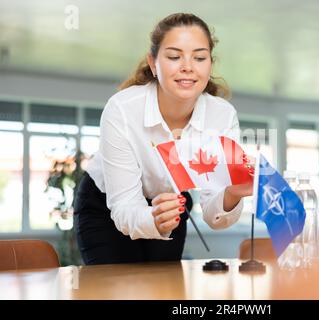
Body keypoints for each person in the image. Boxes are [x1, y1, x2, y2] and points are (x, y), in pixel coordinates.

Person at [74, 13, 254, 265]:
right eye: (173, 56)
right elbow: (125, 205)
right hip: (106, 205)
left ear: (209, 65)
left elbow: (215, 214)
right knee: (117, 287)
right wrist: (152, 219)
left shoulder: (222, 116)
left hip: (172, 204)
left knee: (165, 286)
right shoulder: (122, 109)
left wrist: (232, 192)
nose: (188, 67)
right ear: (153, 62)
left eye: (199, 58)